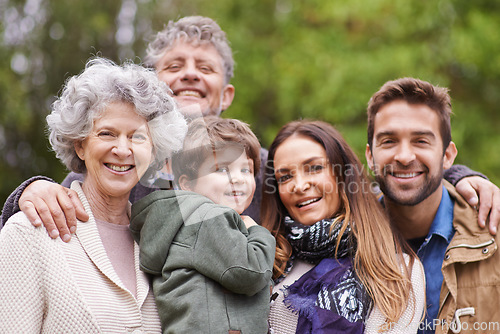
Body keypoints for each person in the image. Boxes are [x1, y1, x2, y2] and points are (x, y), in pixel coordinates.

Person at [0, 16, 497, 239]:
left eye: (205, 66)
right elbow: (65, 207)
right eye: (175, 65)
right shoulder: (120, 161)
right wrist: (28, 190)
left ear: (227, 94)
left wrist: (459, 178)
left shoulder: (261, 167)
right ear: (153, 85)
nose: (190, 72)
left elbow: (366, 187)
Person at [0, 57, 187, 332]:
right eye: (107, 133)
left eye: (137, 137)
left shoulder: (162, 238)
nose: (123, 150)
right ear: (80, 146)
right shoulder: (28, 232)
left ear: (154, 151)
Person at [262, 120, 426, 333]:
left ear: (343, 175)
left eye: (314, 168)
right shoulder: (267, 262)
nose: (300, 185)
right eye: (285, 177)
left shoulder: (397, 271)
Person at [365, 77, 500, 333]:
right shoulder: (344, 244)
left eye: (421, 141)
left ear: (447, 155)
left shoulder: (494, 233)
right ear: (370, 156)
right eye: (389, 141)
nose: (404, 156)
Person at [129, 116, 275, 333]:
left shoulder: (183, 220)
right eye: (222, 169)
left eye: (246, 170)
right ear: (187, 183)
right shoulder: (205, 218)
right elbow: (251, 273)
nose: (238, 179)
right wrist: (258, 232)